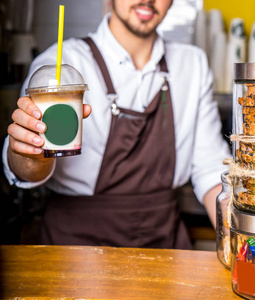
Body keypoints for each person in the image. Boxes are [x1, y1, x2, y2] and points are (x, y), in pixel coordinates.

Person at [2, 0, 230, 248]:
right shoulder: (61, 64)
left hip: (164, 246)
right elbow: (25, 169)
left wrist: (241, 240)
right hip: (74, 252)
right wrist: (30, 151)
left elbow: (211, 170)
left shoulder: (192, 64)